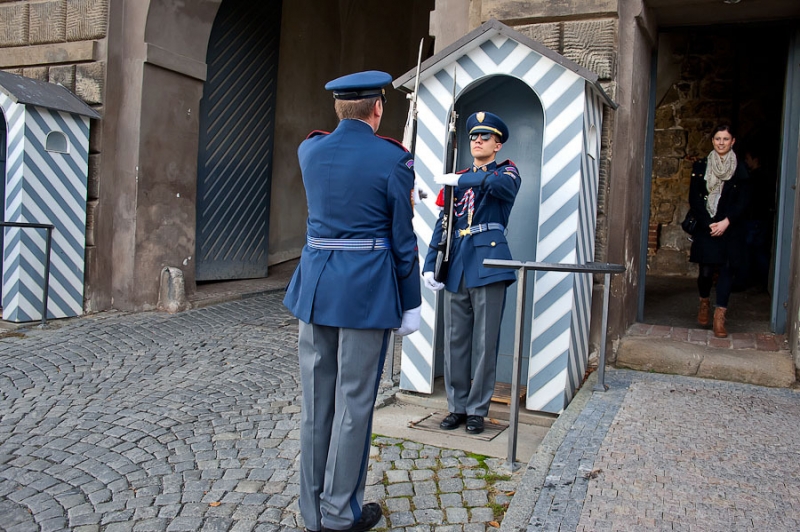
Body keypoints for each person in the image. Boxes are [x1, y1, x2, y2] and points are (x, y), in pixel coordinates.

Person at [283, 70, 422, 532]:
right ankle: (340, 513)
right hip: (365, 290)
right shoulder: (394, 161)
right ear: (377, 109)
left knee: (317, 403)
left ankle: (312, 512)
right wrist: (412, 301)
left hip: (317, 287)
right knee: (354, 404)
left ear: (338, 108)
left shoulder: (311, 150)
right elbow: (403, 241)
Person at [422, 111, 520, 435]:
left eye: (485, 137)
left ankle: (478, 410)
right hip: (458, 263)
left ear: (498, 144)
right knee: (455, 341)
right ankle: (457, 407)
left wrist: (462, 179)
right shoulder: (459, 177)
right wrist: (430, 261)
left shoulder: (507, 171)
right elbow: (444, 223)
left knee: (485, 341)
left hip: (490, 264)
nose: (477, 141)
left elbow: (500, 187)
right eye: (473, 137)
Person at [688, 124, 750, 338]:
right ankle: (704, 301)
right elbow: (694, 199)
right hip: (708, 227)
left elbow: (744, 201)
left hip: (730, 228)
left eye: (725, 139)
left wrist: (727, 222)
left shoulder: (740, 169)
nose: (721, 143)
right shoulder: (700, 166)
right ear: (712, 141)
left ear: (732, 141)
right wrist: (708, 223)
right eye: (717, 139)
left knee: (727, 271)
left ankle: (719, 316)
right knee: (705, 272)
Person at [740, 145, 776, 292]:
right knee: (757, 251)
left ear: (755, 159)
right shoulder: (764, 177)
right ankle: (764, 281)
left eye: (748, 158)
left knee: (750, 252)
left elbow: (751, 200)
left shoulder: (755, 178)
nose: (746, 161)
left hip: (754, 219)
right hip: (759, 219)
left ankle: (752, 281)